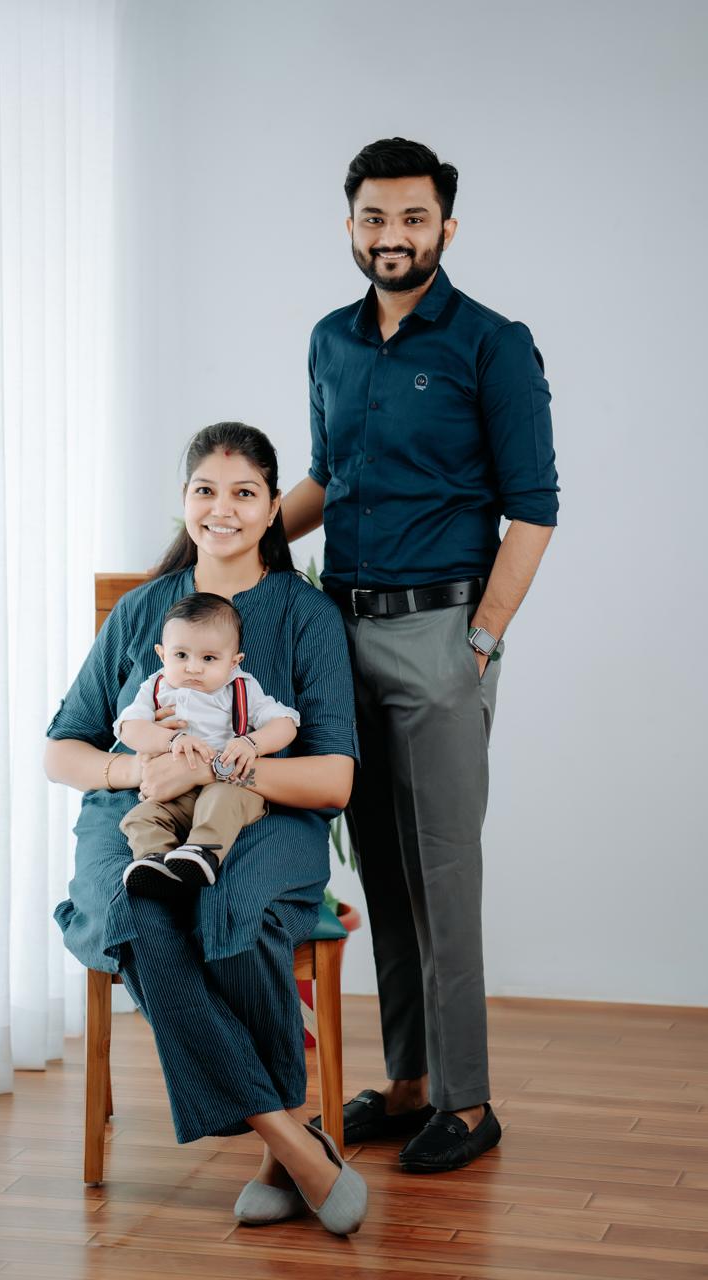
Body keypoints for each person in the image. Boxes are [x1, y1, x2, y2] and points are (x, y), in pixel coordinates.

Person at [283, 138, 559, 1173]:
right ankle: (406, 1082)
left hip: (442, 633)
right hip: (340, 632)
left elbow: (532, 509)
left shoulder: (492, 343)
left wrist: (480, 640)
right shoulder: (330, 341)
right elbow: (326, 479)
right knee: (387, 874)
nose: (390, 236)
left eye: (410, 218)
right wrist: (237, 531)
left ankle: (470, 1099)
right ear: (349, 224)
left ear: (446, 225)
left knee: (446, 873)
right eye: (372, 218)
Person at [44, 421, 368, 1233]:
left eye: (244, 493)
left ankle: (274, 1149)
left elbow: (333, 775)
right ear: (184, 501)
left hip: (260, 811)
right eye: (204, 490)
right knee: (139, 911)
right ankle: (291, 1142)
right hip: (136, 813)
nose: (221, 509)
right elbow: (64, 748)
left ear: (271, 510)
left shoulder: (306, 616)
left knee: (237, 914)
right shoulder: (144, 609)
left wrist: (218, 769)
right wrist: (136, 770)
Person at [114, 590, 300, 896]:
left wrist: (252, 744)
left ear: (233, 661)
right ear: (162, 654)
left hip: (232, 788)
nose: (193, 668)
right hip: (174, 793)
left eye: (209, 658)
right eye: (181, 655)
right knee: (140, 817)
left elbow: (285, 723)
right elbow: (129, 728)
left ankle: (202, 852)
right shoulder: (157, 685)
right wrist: (170, 738)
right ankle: (155, 861)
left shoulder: (241, 687)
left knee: (221, 801)